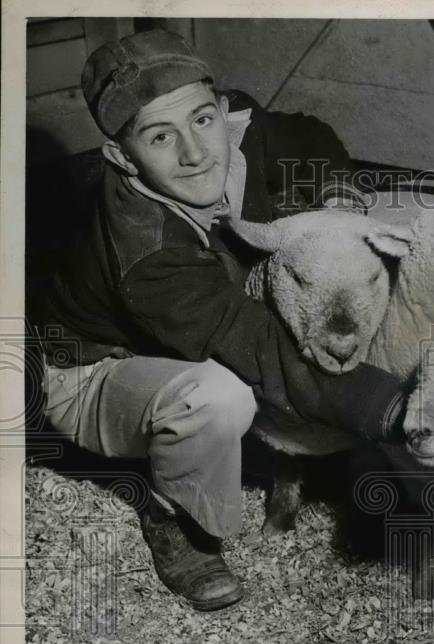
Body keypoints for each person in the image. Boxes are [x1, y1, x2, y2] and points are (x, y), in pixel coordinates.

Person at [37, 29, 407, 611]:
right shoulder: (148, 255)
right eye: (161, 137)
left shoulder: (238, 125)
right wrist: (397, 408)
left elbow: (311, 136)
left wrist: (337, 198)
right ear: (121, 156)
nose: (195, 152)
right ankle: (175, 516)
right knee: (220, 395)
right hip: (95, 374)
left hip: (196, 320)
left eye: (202, 121)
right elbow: (259, 348)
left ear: (219, 108)